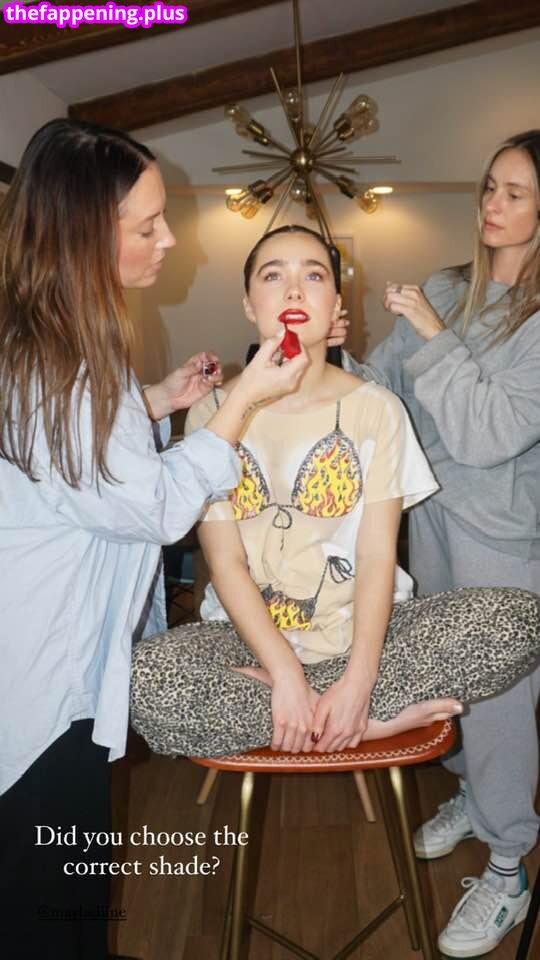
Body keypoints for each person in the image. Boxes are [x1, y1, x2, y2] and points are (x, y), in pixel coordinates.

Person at [0, 119, 309, 960]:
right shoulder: (60, 363)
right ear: (84, 238)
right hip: (40, 678)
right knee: (46, 894)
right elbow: (158, 508)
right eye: (147, 227)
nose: (169, 240)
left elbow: (76, 449)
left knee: (70, 884)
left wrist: (155, 400)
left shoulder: (52, 338)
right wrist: (240, 404)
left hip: (52, 658)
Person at [131, 225, 539, 804]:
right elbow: (226, 565)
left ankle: (330, 705)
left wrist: (359, 678)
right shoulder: (214, 412)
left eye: (314, 275)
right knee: (144, 678)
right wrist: (286, 675)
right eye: (274, 275)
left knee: (518, 620)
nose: (294, 290)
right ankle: (365, 722)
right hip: (247, 642)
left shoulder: (378, 409)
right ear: (248, 304)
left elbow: (375, 557)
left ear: (336, 306)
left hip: (364, 639)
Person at [327, 129, 540, 957]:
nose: (491, 203)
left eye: (515, 193)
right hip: (434, 515)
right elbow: (386, 390)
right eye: (490, 185)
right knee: (446, 676)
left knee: (498, 701)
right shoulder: (450, 286)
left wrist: (433, 331)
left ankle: (510, 862)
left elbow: (488, 433)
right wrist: (337, 356)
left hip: (505, 534)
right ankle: (473, 800)